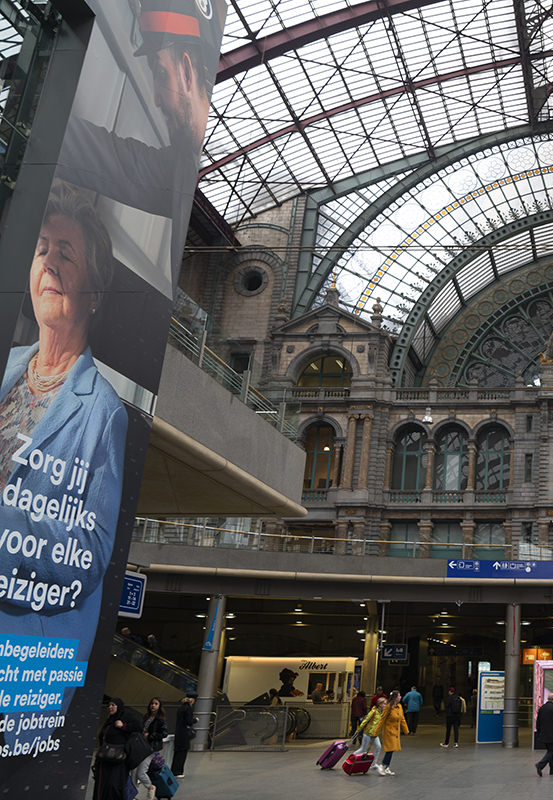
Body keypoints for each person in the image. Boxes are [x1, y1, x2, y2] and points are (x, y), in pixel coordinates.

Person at [0, 182, 127, 744]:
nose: (48, 261)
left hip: (22, 655)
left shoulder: (103, 412)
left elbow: (92, 552)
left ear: (94, 293)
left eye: (66, 253)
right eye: (42, 248)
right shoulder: (6, 365)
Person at [58, 0, 226, 264]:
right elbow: (100, 155)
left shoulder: (183, 171)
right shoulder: (177, 169)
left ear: (186, 70)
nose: (157, 99)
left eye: (160, 74)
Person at [93, 698, 144, 800]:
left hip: (118, 760)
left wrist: (123, 726)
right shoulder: (109, 720)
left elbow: (138, 727)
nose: (110, 707)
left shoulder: (125, 717)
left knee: (114, 785)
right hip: (105, 759)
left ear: (119, 706)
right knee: (102, 785)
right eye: (109, 705)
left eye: (113, 705)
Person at [132, 697, 168, 800]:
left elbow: (164, 733)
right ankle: (132, 795)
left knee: (141, 772)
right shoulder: (146, 717)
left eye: (156, 704)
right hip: (141, 746)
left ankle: (150, 787)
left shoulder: (160, 719)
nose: (153, 705)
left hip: (150, 748)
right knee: (134, 771)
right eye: (152, 703)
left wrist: (151, 735)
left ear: (159, 706)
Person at [352, 695, 388, 774]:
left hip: (375, 734)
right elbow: (365, 721)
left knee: (378, 747)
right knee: (363, 749)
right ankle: (351, 758)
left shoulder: (382, 713)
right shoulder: (373, 712)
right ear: (380, 704)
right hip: (368, 733)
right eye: (384, 704)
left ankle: (373, 764)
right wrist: (358, 730)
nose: (385, 705)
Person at [378, 691, 410, 776]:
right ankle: (382, 765)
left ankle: (386, 767)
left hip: (396, 732)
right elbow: (382, 720)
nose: (400, 697)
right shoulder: (387, 708)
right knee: (390, 750)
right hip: (389, 732)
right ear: (395, 698)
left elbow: (402, 719)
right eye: (399, 696)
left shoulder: (399, 707)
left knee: (392, 750)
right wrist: (376, 732)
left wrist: (406, 730)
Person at [534, 692, 553, 776]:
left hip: (543, 734)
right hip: (552, 734)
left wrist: (538, 732)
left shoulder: (542, 708)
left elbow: (538, 722)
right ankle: (540, 765)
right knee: (551, 751)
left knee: (549, 750)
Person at [171, 691, 197, 778]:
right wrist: (195, 720)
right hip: (184, 733)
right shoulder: (188, 708)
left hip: (178, 732)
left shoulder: (181, 707)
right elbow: (189, 721)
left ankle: (174, 770)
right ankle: (178, 771)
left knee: (177, 752)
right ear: (193, 700)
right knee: (183, 752)